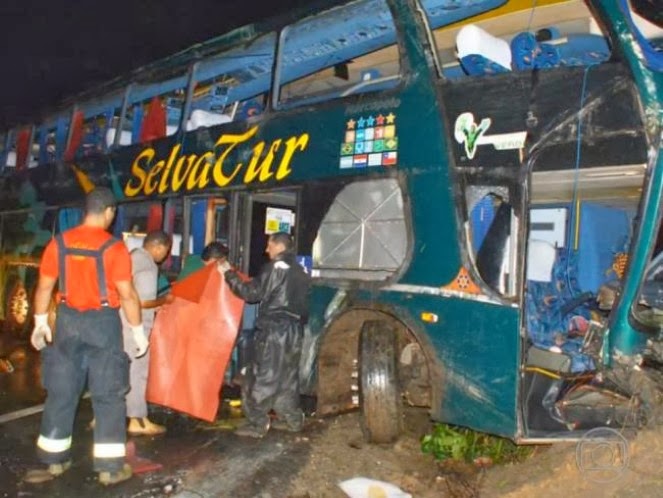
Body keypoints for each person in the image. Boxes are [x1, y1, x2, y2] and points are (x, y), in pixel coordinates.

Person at [29, 188, 147, 486]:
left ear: (86, 210)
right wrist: (137, 330)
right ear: (109, 212)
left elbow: (44, 287)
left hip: (67, 321)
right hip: (103, 323)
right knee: (108, 395)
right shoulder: (114, 248)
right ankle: (109, 469)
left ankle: (54, 462)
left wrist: (41, 322)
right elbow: (128, 294)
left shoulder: (59, 243)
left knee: (62, 391)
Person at [220, 232, 310, 438]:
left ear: (278, 246)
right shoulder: (300, 271)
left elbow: (252, 294)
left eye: (269, 245)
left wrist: (229, 274)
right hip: (294, 331)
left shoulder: (274, 268)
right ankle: (292, 419)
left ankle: (257, 423)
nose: (266, 250)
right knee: (287, 377)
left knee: (261, 376)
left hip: (274, 331)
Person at [123, 230, 172, 436]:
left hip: (120, 322)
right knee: (137, 372)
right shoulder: (148, 266)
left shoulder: (132, 256)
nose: (165, 256)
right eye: (166, 251)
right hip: (136, 327)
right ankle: (138, 420)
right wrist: (164, 301)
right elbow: (142, 302)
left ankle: (102, 416)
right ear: (158, 247)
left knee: (118, 371)